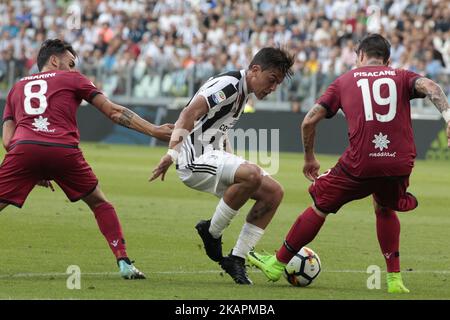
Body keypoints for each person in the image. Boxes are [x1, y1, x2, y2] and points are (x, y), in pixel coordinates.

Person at [248, 34, 450, 293]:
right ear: (387, 60)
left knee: (320, 206)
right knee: (385, 207)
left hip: (361, 163)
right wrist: (447, 117)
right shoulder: (401, 76)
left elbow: (309, 121)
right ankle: (394, 281)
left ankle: (277, 264)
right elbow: (433, 88)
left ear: (360, 56)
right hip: (399, 163)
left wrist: (310, 157)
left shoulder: (344, 81)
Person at [0, 39, 173, 279]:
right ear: (54, 60)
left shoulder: (16, 87)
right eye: (70, 63)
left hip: (23, 149)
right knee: (100, 203)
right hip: (63, 149)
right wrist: (153, 130)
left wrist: (32, 167)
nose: (72, 68)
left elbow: (7, 140)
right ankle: (123, 262)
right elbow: (113, 111)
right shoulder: (73, 78)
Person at [150, 47, 294, 284]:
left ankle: (237, 258)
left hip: (212, 154)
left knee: (274, 193)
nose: (273, 88)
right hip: (192, 159)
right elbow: (188, 113)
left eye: (277, 83)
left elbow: (219, 126)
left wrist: (231, 159)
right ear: (255, 70)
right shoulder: (228, 84)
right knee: (252, 175)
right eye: (272, 80)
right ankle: (211, 232)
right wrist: (172, 154)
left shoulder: (242, 92)